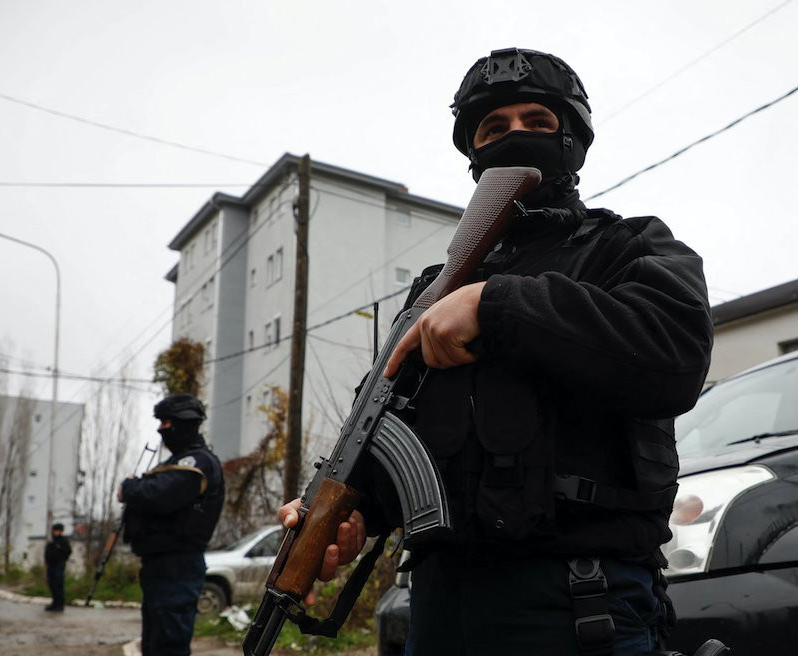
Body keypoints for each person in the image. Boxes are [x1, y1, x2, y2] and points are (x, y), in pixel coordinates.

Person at [280, 47, 714, 655]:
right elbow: (396, 431)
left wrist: (496, 305)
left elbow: (676, 356)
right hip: (436, 609)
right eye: (494, 127)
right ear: (473, 154)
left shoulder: (630, 246)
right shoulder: (435, 289)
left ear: (573, 140)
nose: (516, 135)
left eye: (538, 122)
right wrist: (352, 510)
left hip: (577, 604)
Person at [120, 394, 225, 656]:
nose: (161, 429)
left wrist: (129, 488)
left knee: (169, 645)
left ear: (184, 423)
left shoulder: (198, 461)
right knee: (154, 645)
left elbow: (159, 494)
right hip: (159, 565)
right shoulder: (175, 461)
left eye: (166, 423)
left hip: (178, 565)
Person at [43, 522, 72, 612]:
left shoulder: (63, 541)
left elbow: (67, 551)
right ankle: (54, 603)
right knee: (52, 585)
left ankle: (60, 604)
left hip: (59, 565)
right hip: (51, 565)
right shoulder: (51, 541)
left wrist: (59, 553)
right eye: (55, 531)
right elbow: (47, 553)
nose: (57, 532)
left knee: (59, 585)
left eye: (58, 531)